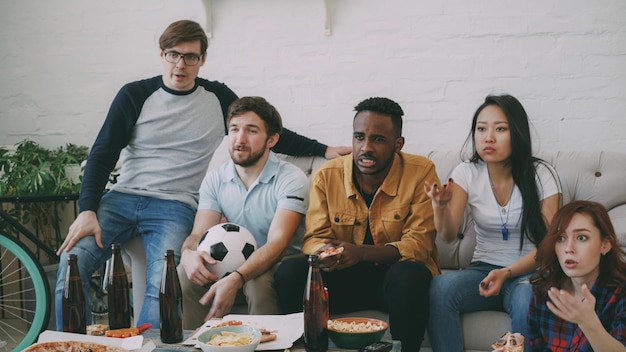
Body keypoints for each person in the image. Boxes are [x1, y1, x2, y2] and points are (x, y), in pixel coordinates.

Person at [54, 19, 350, 330]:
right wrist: (87, 209)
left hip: (175, 205)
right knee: (72, 262)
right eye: (173, 55)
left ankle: (151, 349)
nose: (180, 64)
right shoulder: (135, 94)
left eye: (190, 57)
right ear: (161, 55)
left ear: (202, 60)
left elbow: (262, 126)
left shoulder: (217, 98)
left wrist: (324, 148)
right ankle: (72, 345)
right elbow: (102, 153)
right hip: (122, 198)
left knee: (165, 283)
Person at [274, 97, 441, 351]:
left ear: (398, 144)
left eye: (378, 139)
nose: (366, 147)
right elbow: (313, 238)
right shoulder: (327, 175)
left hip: (393, 281)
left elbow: (418, 245)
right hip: (344, 277)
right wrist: (326, 253)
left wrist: (360, 253)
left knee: (410, 274)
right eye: (359, 137)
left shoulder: (421, 172)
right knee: (289, 274)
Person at [425, 94, 562, 351]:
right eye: (481, 128)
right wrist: (439, 206)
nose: (488, 137)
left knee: (525, 298)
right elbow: (447, 235)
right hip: (483, 269)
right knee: (441, 287)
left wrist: (507, 273)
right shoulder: (466, 173)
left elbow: (549, 246)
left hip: (529, 274)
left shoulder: (541, 174)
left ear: (517, 133)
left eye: (500, 129)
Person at [178, 96, 309, 328]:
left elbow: (277, 244)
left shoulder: (291, 178)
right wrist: (188, 254)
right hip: (230, 262)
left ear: (272, 139)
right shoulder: (216, 179)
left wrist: (237, 278)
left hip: (281, 263)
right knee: (184, 274)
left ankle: (268, 343)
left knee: (256, 282)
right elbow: (199, 234)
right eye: (234, 129)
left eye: (251, 131)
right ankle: (198, 342)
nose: (240, 139)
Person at [524, 200, 626, 351]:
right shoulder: (544, 288)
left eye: (581, 237)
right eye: (561, 238)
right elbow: (537, 346)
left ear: (605, 244)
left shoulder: (621, 293)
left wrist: (589, 323)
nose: (568, 248)